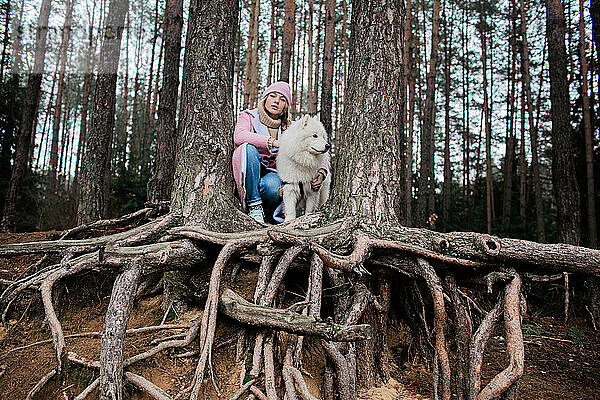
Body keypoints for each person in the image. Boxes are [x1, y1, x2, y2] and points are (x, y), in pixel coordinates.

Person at [232, 81, 328, 223]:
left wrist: (321, 171)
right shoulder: (249, 116)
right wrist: (271, 141)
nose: (276, 101)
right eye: (273, 96)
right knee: (248, 148)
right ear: (265, 98)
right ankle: (254, 207)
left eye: (282, 99)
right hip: (250, 168)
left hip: (274, 172)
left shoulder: (292, 127)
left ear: (285, 106)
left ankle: (269, 214)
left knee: (273, 187)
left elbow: (312, 148)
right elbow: (239, 136)